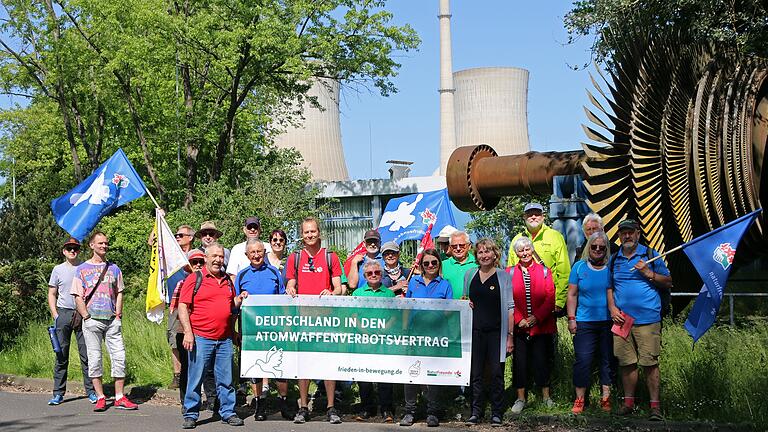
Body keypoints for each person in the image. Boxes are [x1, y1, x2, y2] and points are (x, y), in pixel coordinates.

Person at [607, 219, 672, 421]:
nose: (627, 236)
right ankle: (628, 404)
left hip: (648, 319)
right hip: (622, 320)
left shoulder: (651, 255)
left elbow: (669, 281)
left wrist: (649, 273)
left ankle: (655, 407)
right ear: (619, 236)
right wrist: (612, 308)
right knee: (626, 363)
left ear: (638, 234)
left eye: (630, 232)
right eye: (623, 233)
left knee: (649, 363)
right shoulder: (615, 258)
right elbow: (610, 287)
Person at [178, 243, 249, 429]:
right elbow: (183, 306)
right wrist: (188, 332)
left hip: (224, 339)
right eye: (214, 256)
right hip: (201, 337)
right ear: (206, 258)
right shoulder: (195, 278)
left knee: (226, 380)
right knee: (196, 377)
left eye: (220, 257)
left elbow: (230, 306)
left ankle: (228, 412)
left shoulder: (227, 280)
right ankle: (191, 413)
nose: (218, 260)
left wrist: (240, 299)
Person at [285, 217, 344, 425]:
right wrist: (290, 288)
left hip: (326, 319)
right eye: (306, 232)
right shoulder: (295, 257)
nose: (310, 235)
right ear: (302, 235)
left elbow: (339, 288)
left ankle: (330, 407)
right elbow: (290, 282)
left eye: (313, 232)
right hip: (303, 318)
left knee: (328, 363)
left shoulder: (331, 256)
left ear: (319, 233)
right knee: (304, 364)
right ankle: (303, 406)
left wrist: (331, 291)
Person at [72, 231, 138, 412]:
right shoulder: (82, 269)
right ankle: (100, 397)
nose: (104, 246)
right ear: (91, 245)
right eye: (100, 243)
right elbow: (78, 296)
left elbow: (120, 292)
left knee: (119, 357)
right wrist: (86, 316)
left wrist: (118, 314)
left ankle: (119, 397)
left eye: (106, 243)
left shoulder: (114, 268)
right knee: (94, 359)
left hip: (111, 321)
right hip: (92, 320)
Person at [233, 239, 292, 421]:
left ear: (264, 252)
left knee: (279, 365)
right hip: (251, 329)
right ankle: (260, 405)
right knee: (255, 367)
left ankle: (284, 403)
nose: (257, 255)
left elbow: (283, 300)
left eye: (259, 252)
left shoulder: (275, 272)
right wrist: (235, 330)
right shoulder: (241, 275)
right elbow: (234, 304)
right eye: (253, 253)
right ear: (247, 255)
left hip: (274, 327)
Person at [461, 239, 514, 427]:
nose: (484, 255)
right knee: (475, 374)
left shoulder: (503, 276)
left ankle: (497, 412)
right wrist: (465, 302)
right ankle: (476, 412)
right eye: (480, 252)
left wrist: (509, 336)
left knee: (496, 373)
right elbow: (465, 299)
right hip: (475, 332)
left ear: (494, 255)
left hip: (496, 333)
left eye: (487, 252)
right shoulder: (470, 274)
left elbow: (510, 308)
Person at [400, 249, 453, 428]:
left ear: (439, 264)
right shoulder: (413, 283)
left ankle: (432, 412)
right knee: (411, 374)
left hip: (435, 336)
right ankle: (409, 412)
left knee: (433, 375)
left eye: (434, 263)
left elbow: (449, 311)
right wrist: (405, 329)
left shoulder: (445, 284)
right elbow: (407, 307)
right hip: (414, 335)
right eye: (426, 263)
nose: (430, 266)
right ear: (421, 266)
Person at [566, 231, 614, 415]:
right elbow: (572, 294)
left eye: (602, 247)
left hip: (608, 321)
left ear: (606, 249)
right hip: (584, 322)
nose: (597, 250)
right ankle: (580, 399)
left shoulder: (611, 267)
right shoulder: (579, 267)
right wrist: (572, 319)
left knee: (607, 360)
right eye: (594, 246)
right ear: (589, 247)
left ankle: (606, 398)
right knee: (583, 361)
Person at [47, 237, 97, 405]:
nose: (72, 251)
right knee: (61, 355)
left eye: (75, 248)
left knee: (87, 355)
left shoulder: (84, 268)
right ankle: (58, 393)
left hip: (82, 314)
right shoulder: (58, 270)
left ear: (79, 250)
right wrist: (55, 314)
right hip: (64, 314)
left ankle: (91, 392)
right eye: (69, 248)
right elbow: (52, 293)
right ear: (64, 251)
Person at [508, 237, 555, 415]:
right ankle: (520, 398)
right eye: (521, 250)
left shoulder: (544, 271)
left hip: (541, 326)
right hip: (519, 328)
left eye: (528, 249)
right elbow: (509, 297)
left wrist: (536, 317)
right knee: (520, 364)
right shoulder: (510, 272)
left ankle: (546, 397)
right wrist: (520, 319)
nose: (525, 253)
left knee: (542, 361)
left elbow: (550, 297)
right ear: (516, 253)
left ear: (532, 250)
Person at [352, 261, 396, 423]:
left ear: (382, 274)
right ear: (364, 276)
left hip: (384, 341)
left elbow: (394, 316)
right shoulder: (357, 293)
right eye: (369, 273)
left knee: (385, 376)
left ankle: (386, 410)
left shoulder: (389, 294)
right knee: (364, 377)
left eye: (376, 272)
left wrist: (383, 330)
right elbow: (353, 316)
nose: (373, 275)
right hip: (363, 341)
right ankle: (366, 409)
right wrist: (365, 331)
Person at [507, 203, 570, 314]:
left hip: (547, 301)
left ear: (543, 216)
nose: (533, 217)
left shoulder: (555, 237)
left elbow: (564, 271)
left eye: (537, 214)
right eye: (530, 214)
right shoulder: (517, 240)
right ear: (524, 217)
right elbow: (509, 273)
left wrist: (559, 301)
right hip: (521, 303)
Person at [168, 249, 207, 404]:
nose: (197, 265)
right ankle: (186, 401)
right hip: (184, 331)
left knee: (206, 368)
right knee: (186, 368)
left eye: (201, 262)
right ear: (189, 265)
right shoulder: (182, 283)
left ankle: (210, 400)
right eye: (194, 262)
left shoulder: (210, 282)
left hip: (204, 331)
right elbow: (175, 308)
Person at [167, 224, 196, 390]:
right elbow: (153, 243)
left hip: (194, 303)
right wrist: (159, 217)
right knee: (174, 340)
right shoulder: (171, 255)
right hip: (175, 302)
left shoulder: (196, 256)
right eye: (176, 235)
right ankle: (178, 375)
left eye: (180, 235)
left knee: (193, 339)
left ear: (190, 237)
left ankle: (193, 373)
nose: (177, 237)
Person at [441, 230, 478, 299]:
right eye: (454, 246)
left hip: (475, 307)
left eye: (462, 245)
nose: (458, 249)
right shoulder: (442, 265)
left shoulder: (478, 264)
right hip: (450, 307)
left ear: (469, 246)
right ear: (450, 247)